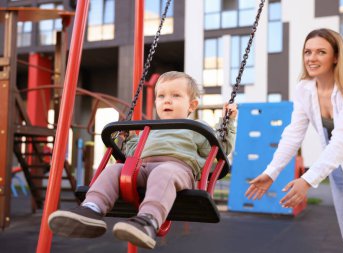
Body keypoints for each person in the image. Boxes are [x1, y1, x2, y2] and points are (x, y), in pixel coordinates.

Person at [48, 71, 237, 249]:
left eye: (176, 96)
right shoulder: (150, 128)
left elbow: (220, 148)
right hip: (143, 167)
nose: (167, 100)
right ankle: (92, 209)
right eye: (161, 96)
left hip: (178, 169)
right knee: (115, 169)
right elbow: (133, 152)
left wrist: (227, 124)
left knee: (164, 172)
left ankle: (148, 220)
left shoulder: (196, 128)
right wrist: (127, 138)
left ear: (192, 105)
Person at [246, 28, 343, 253]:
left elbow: (341, 142)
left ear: (336, 56)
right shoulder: (305, 89)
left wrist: (306, 181)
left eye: (320, 52)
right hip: (338, 170)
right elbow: (293, 133)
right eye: (307, 52)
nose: (312, 58)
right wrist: (272, 171)